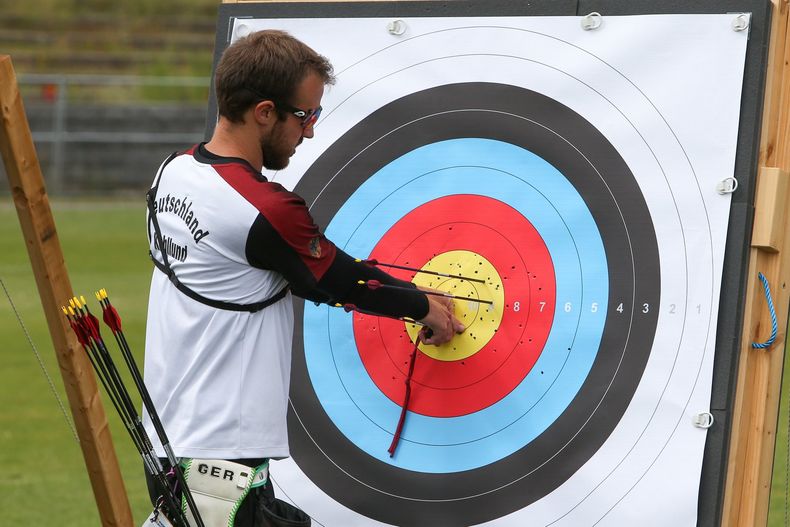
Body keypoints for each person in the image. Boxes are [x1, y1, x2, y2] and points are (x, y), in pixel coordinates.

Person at [142, 29, 463, 526]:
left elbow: (300, 275)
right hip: (221, 451)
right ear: (265, 112)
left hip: (169, 442)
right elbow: (342, 281)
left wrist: (411, 290)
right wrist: (422, 307)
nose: (309, 132)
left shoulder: (172, 173)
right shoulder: (262, 209)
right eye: (305, 115)